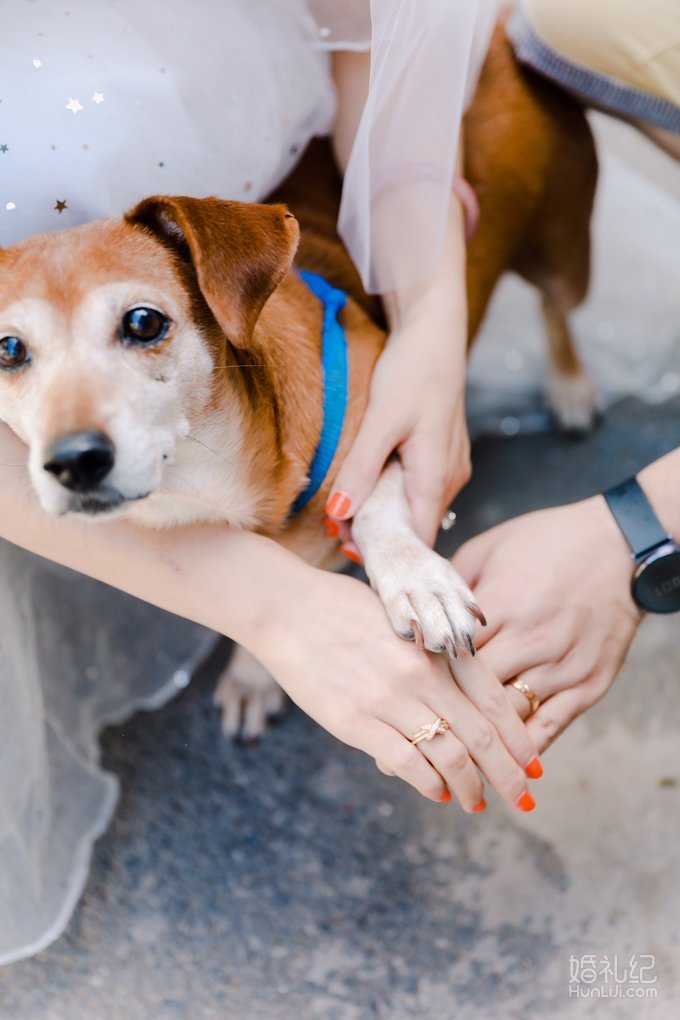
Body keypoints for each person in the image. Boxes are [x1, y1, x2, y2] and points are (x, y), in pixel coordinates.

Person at [0, 0, 514, 965]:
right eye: (8, 355)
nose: (70, 437)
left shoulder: (253, 297)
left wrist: (432, 346)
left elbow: (368, 38)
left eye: (141, 326)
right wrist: (270, 617)